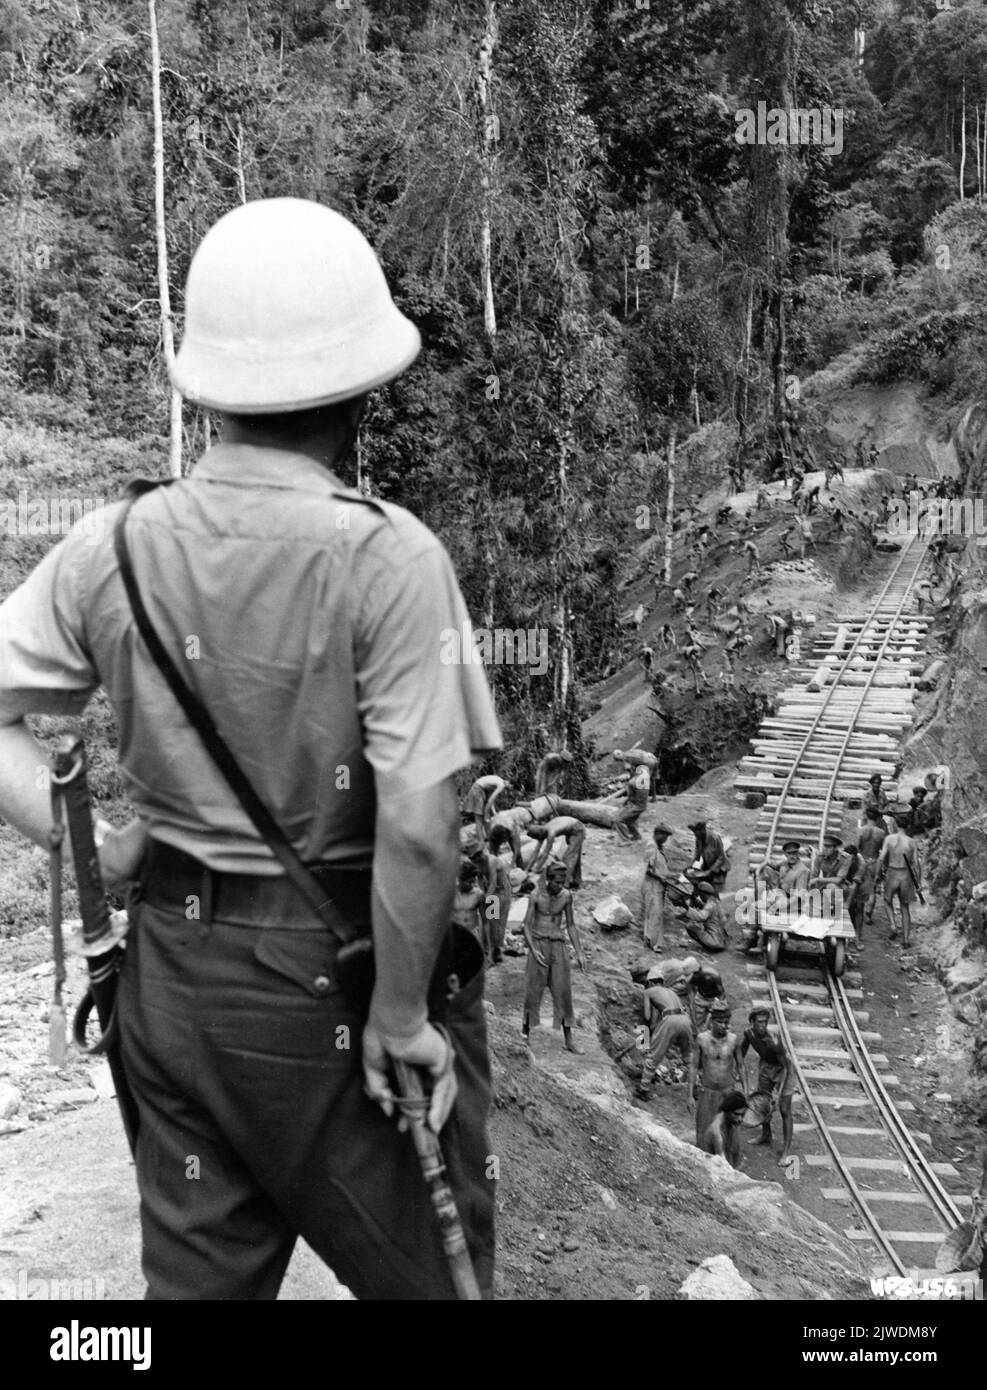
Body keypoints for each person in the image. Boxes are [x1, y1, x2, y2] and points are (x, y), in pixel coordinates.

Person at [0, 199, 502, 1300]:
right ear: (364, 390)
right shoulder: (391, 561)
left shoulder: (111, 548)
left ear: (209, 386)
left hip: (175, 991)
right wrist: (404, 1016)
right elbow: (420, 822)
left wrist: (100, 844)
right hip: (336, 982)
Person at [521, 863, 584, 1053]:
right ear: (548, 879)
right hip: (538, 945)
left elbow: (571, 925)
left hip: (558, 946)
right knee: (532, 991)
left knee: (563, 992)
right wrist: (532, 949)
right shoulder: (536, 896)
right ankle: (525, 1034)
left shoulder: (566, 896)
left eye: (563, 882)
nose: (560, 886)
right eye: (557, 882)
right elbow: (526, 925)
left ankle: (569, 1040)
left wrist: (579, 951)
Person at [740, 1008, 794, 1164]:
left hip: (784, 1069)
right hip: (766, 1066)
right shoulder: (748, 1033)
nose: (763, 1025)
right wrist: (738, 1068)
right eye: (760, 1022)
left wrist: (778, 1094)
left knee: (784, 1109)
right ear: (752, 1023)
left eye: (765, 1022)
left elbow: (785, 1068)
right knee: (763, 1102)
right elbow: (742, 1050)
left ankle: (785, 1152)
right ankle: (766, 1135)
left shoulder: (774, 1041)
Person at [688, 1005, 746, 1150]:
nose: (724, 1026)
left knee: (729, 1130)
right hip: (708, 1092)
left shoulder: (733, 1040)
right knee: (704, 1128)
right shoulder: (702, 1040)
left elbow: (741, 1066)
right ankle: (704, 1161)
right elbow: (694, 1066)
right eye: (721, 1022)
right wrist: (689, 1094)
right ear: (712, 1021)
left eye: (727, 1022)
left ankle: (729, 1163)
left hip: (727, 1093)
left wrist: (745, 1090)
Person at [636, 969, 693, 1098]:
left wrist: (643, 1035)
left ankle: (643, 1089)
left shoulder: (649, 991)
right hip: (685, 1019)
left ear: (650, 983)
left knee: (654, 1056)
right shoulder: (670, 992)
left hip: (670, 1020)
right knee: (688, 1056)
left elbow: (647, 1016)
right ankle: (695, 1088)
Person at [877, 814, 922, 947]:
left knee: (887, 900)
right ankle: (906, 939)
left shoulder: (889, 839)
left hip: (892, 872)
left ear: (896, 825)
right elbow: (916, 864)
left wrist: (877, 874)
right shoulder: (912, 842)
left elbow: (881, 857)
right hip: (906, 875)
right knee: (904, 907)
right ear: (908, 826)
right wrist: (918, 882)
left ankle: (893, 925)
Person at [469, 843, 512, 965]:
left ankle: (496, 950)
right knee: (489, 920)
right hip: (491, 891)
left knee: (497, 921)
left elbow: (493, 882)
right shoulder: (477, 864)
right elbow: (480, 879)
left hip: (501, 890)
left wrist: (486, 898)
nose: (477, 859)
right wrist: (483, 894)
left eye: (478, 855)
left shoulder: (491, 861)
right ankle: (489, 950)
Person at [526, 815, 586, 890]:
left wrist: (536, 869)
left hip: (578, 829)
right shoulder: (542, 830)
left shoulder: (551, 833)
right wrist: (527, 870)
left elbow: (545, 854)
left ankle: (565, 885)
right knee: (574, 856)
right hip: (572, 830)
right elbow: (535, 853)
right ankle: (577, 881)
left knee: (568, 857)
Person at [641, 822, 674, 951]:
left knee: (656, 913)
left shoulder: (660, 848)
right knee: (655, 912)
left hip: (659, 885)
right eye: (664, 836)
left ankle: (650, 939)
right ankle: (654, 943)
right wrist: (661, 878)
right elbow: (648, 870)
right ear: (657, 833)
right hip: (652, 884)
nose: (666, 840)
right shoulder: (651, 846)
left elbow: (661, 867)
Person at [701, 1090, 748, 1169]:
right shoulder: (717, 1134)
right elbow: (723, 1168)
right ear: (728, 1111)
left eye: (742, 1114)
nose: (740, 1119)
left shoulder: (727, 1118)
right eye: (736, 1114)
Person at [685, 813, 729, 893]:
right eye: (694, 832)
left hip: (720, 868)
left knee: (713, 891)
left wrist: (710, 871)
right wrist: (690, 865)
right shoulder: (698, 839)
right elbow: (697, 854)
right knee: (701, 888)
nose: (695, 835)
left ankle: (715, 902)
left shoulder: (715, 838)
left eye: (696, 832)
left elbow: (721, 857)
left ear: (703, 830)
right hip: (708, 865)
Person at [462, 773, 509, 849]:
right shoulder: (501, 785)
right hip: (477, 790)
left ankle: (490, 840)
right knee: (479, 819)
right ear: (510, 784)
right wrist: (486, 814)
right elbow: (490, 800)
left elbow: (490, 799)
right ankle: (482, 844)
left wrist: (494, 813)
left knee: (487, 820)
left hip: (482, 790)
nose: (509, 789)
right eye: (511, 788)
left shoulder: (498, 781)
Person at [858, 806, 888, 925]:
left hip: (863, 861)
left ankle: (859, 912)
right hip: (875, 862)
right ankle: (868, 914)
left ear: (866, 816)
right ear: (878, 818)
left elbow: (857, 847)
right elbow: (883, 851)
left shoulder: (861, 830)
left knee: (860, 889)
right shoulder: (881, 833)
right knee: (872, 891)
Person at [682, 882, 729, 953]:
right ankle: (711, 945)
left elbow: (701, 917)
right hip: (723, 941)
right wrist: (699, 904)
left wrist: (687, 908)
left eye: (700, 894)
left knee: (690, 926)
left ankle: (709, 947)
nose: (700, 897)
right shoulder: (715, 902)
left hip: (715, 942)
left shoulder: (710, 905)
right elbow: (710, 911)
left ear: (703, 894)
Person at [614, 763, 650, 842]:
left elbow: (631, 796)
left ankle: (625, 840)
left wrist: (626, 803)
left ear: (633, 770)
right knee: (629, 820)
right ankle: (637, 836)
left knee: (618, 819)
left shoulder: (632, 782)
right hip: (642, 806)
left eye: (629, 770)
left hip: (636, 806)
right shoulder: (644, 780)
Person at [452, 858, 486, 943]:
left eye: (473, 882)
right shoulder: (451, 894)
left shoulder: (478, 894)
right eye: (469, 882)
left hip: (472, 935)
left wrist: (488, 946)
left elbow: (486, 921)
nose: (472, 885)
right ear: (460, 880)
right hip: (454, 936)